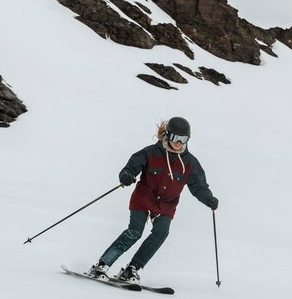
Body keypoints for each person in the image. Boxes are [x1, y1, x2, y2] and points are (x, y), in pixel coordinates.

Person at [86, 117, 218, 283]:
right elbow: (131, 167)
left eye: (184, 139)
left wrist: (209, 199)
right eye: (176, 138)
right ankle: (101, 265)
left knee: (161, 233)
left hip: (166, 207)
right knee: (135, 232)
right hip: (143, 200)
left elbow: (199, 187)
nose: (179, 143)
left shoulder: (190, 163)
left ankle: (132, 269)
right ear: (168, 135)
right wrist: (126, 176)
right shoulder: (150, 152)